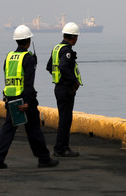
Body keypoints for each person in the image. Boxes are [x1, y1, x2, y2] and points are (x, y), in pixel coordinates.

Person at [0, 25, 59, 169]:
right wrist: (28, 102)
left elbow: (7, 78)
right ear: (28, 41)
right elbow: (29, 83)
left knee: (8, 129)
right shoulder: (28, 59)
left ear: (17, 41)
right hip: (24, 99)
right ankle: (43, 159)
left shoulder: (9, 57)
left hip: (11, 98)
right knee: (34, 129)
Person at [47, 22, 82, 158]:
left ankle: (60, 147)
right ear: (73, 37)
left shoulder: (57, 48)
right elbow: (63, 67)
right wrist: (73, 81)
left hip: (58, 87)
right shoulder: (67, 51)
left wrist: (58, 79)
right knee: (65, 119)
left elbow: (50, 66)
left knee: (63, 118)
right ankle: (62, 148)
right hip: (66, 89)